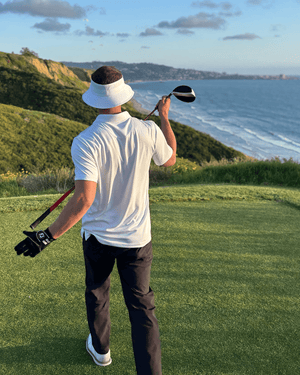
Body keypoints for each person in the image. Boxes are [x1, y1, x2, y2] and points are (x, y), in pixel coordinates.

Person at [14, 66, 177, 375]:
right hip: (138, 239)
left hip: (98, 238)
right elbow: (169, 158)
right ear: (123, 94)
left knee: (98, 292)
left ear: (93, 99)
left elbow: (84, 199)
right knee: (142, 308)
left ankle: (101, 350)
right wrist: (164, 118)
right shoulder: (148, 130)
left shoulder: (86, 140)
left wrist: (46, 236)